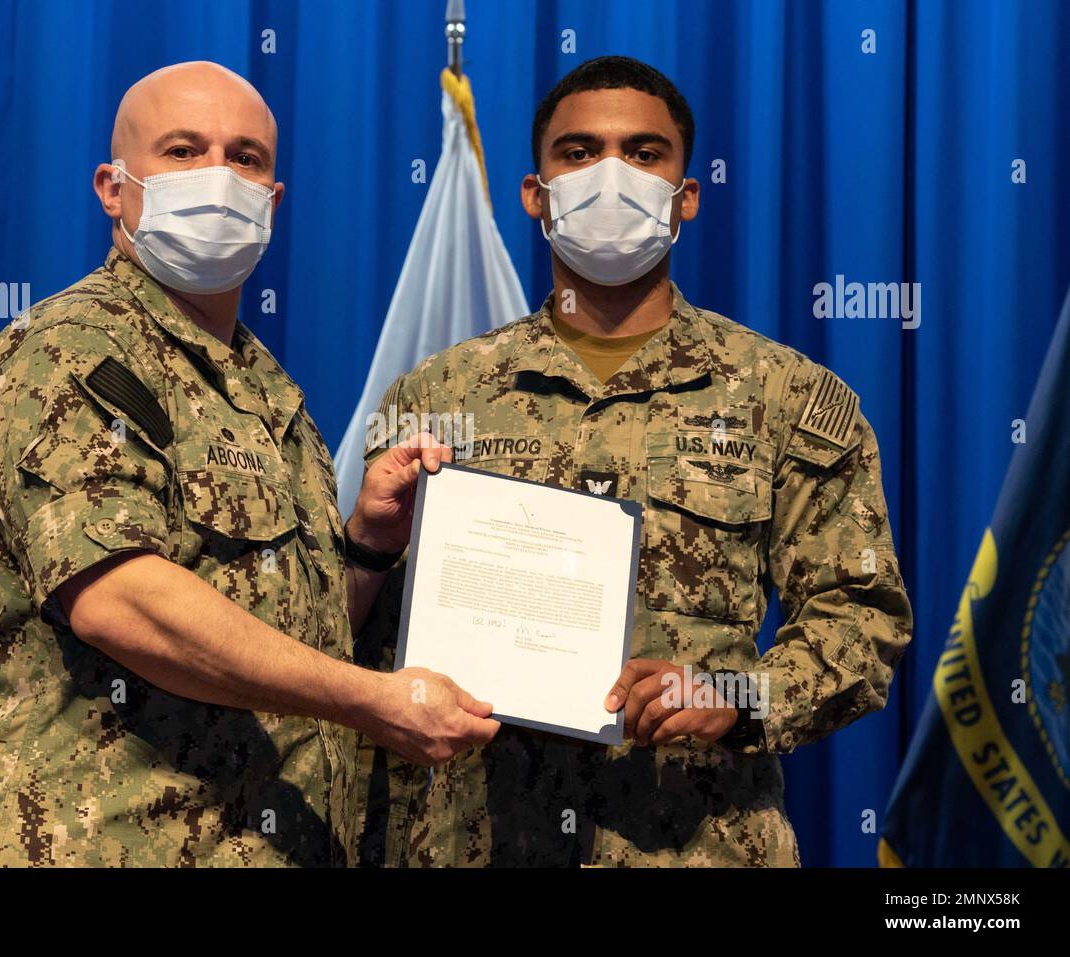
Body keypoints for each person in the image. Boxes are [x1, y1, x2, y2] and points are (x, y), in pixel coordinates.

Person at [0, 61, 498, 868]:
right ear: (113, 188)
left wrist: (364, 546)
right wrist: (376, 701)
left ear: (273, 201)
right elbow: (121, 601)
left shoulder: (265, 389)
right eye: (184, 151)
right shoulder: (69, 349)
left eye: (245, 158)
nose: (218, 176)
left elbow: (290, 637)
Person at [354, 56, 913, 866]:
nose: (610, 174)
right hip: (476, 841)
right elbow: (358, 636)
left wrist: (740, 697)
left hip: (697, 843)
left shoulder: (787, 398)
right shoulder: (440, 392)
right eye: (578, 152)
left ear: (686, 195)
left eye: (644, 153)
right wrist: (364, 541)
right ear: (534, 193)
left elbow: (864, 618)